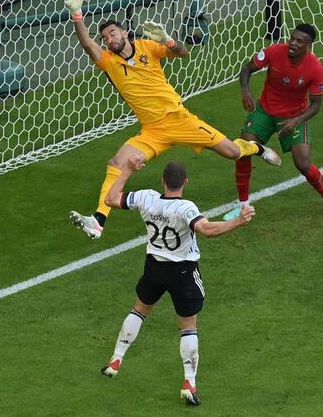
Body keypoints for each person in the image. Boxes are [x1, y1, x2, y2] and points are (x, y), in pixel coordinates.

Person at [64, 0, 280, 239]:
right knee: (117, 163)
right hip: (152, 131)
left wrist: (168, 40)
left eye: (112, 33)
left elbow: (182, 53)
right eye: (106, 38)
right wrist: (77, 16)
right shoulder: (109, 63)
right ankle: (98, 221)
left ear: (124, 32)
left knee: (232, 152)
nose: (109, 39)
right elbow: (88, 45)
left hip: (180, 120)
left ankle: (257, 148)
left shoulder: (146, 46)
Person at [99, 156, 256, 407]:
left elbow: (110, 199)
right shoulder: (186, 208)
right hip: (182, 272)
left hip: (154, 267)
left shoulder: (146, 197)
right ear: (185, 182)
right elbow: (207, 230)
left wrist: (127, 169)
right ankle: (189, 383)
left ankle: (115, 360)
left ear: (163, 181)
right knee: (188, 326)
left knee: (139, 309)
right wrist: (238, 221)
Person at [223, 23, 323, 221]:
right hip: (265, 111)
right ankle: (243, 206)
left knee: (303, 163)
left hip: (294, 116)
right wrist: (245, 90)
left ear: (308, 46)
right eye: (292, 38)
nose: (292, 43)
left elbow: (316, 105)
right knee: (242, 151)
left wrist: (296, 121)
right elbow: (247, 69)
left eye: (299, 41)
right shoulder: (274, 52)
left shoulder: (315, 67)